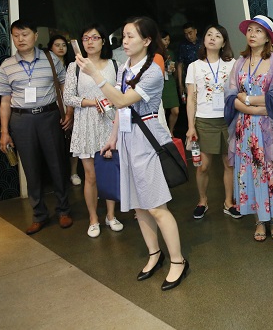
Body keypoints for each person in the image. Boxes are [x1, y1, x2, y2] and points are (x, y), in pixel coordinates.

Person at [76, 16, 189, 291]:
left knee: (157, 207)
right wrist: (113, 138)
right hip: (128, 138)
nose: (124, 41)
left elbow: (122, 99)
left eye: (130, 36)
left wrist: (95, 75)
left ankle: (178, 261)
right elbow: (121, 109)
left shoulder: (152, 71)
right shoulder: (126, 67)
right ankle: (154, 254)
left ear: (147, 40)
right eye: (123, 36)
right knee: (139, 205)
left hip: (147, 139)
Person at [0, 21, 74, 235]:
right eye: (16, 35)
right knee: (31, 169)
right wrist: (4, 131)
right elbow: (5, 100)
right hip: (21, 120)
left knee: (57, 165)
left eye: (24, 34)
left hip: (49, 117)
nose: (20, 39)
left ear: (35, 36)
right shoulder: (7, 65)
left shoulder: (51, 59)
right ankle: (39, 214)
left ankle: (63, 210)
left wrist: (69, 112)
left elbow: (65, 86)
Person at [226, 15, 273, 241]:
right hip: (244, 127)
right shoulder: (240, 62)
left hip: (268, 126)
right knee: (249, 171)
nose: (252, 34)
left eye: (258, 31)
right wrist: (252, 107)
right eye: (250, 30)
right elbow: (231, 96)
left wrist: (248, 101)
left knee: (270, 171)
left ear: (268, 37)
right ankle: (259, 220)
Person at [63, 24, 124, 238]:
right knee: (90, 176)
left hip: (109, 123)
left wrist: (110, 101)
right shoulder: (75, 67)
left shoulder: (115, 65)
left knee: (109, 171)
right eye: (86, 38)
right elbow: (68, 97)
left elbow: (121, 95)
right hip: (86, 124)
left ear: (103, 41)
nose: (90, 42)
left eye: (95, 37)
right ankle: (93, 219)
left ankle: (110, 216)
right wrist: (92, 102)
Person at [185, 24, 239, 219]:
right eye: (209, 34)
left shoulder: (233, 64)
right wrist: (191, 126)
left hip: (228, 119)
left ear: (224, 42)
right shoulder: (194, 66)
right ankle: (202, 200)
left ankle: (228, 202)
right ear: (204, 39)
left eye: (217, 36)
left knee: (229, 164)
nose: (212, 38)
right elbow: (191, 98)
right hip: (204, 121)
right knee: (203, 166)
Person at [48, 34, 81, 186]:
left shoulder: (72, 66)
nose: (61, 48)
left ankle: (73, 172)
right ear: (50, 48)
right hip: (53, 107)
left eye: (63, 45)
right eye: (57, 45)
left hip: (71, 106)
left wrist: (71, 110)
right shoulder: (47, 67)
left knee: (72, 141)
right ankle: (59, 175)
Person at [177, 22, 202, 103]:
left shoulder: (203, 42)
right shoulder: (183, 46)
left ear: (195, 31)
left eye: (190, 33)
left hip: (204, 75)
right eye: (186, 34)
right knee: (192, 100)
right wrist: (180, 84)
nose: (188, 36)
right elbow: (180, 64)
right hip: (190, 77)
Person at [161, 30, 180, 133]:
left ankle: (171, 131)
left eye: (168, 40)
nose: (167, 42)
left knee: (175, 111)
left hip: (170, 81)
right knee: (162, 111)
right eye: (165, 39)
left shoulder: (171, 52)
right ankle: (164, 132)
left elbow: (174, 66)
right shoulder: (154, 53)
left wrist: (173, 70)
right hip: (160, 83)